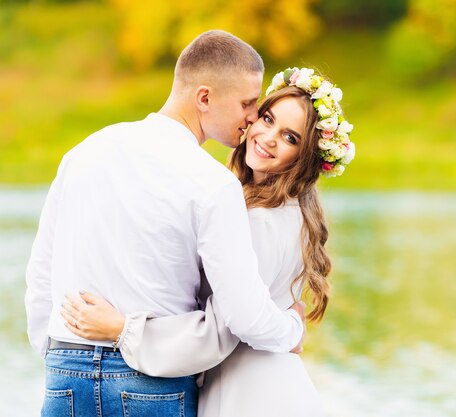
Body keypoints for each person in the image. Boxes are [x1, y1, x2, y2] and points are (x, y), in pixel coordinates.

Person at [24, 31, 307, 417]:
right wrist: (293, 327)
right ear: (204, 98)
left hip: (64, 369)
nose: (253, 116)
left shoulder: (84, 151)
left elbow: (41, 273)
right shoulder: (213, 183)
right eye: (247, 103)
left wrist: (56, 353)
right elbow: (243, 315)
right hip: (150, 383)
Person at [61, 67, 356, 416]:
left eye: (291, 138)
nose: (269, 137)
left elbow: (229, 326)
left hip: (249, 390)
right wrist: (289, 328)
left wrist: (123, 329)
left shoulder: (258, 220)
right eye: (267, 118)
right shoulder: (291, 212)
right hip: (268, 381)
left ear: (304, 158)